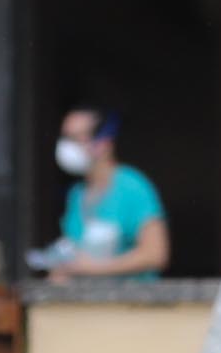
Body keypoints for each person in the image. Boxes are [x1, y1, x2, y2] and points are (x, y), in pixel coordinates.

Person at [44, 108, 170, 281]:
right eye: (65, 138)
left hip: (132, 303)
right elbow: (76, 254)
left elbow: (155, 255)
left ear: (103, 142)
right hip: (88, 303)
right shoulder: (76, 194)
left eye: (75, 138)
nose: (66, 146)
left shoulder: (133, 187)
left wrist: (92, 269)